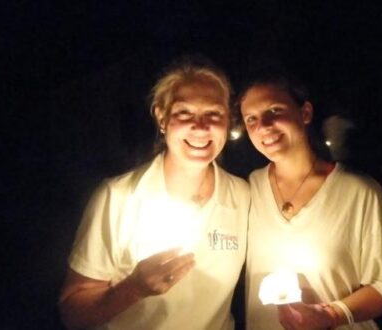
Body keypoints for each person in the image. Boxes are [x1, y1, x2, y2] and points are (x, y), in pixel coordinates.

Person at [58, 56, 250, 330]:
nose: (200, 126)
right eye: (184, 113)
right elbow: (72, 312)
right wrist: (134, 288)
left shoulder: (242, 196)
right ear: (162, 118)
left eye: (214, 114)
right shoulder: (118, 197)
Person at [238, 71, 382, 330]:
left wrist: (331, 314)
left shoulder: (357, 191)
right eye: (251, 118)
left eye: (275, 110)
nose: (263, 126)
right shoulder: (251, 188)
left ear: (305, 113)